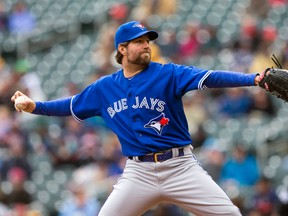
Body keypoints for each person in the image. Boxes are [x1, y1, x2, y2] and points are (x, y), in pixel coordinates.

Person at [11, 21, 265, 216]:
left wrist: (253, 79)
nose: (146, 45)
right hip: (138, 173)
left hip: (181, 167)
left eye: (147, 41)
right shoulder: (104, 88)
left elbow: (210, 77)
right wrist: (36, 106)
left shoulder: (168, 73)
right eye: (138, 41)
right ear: (122, 49)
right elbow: (70, 105)